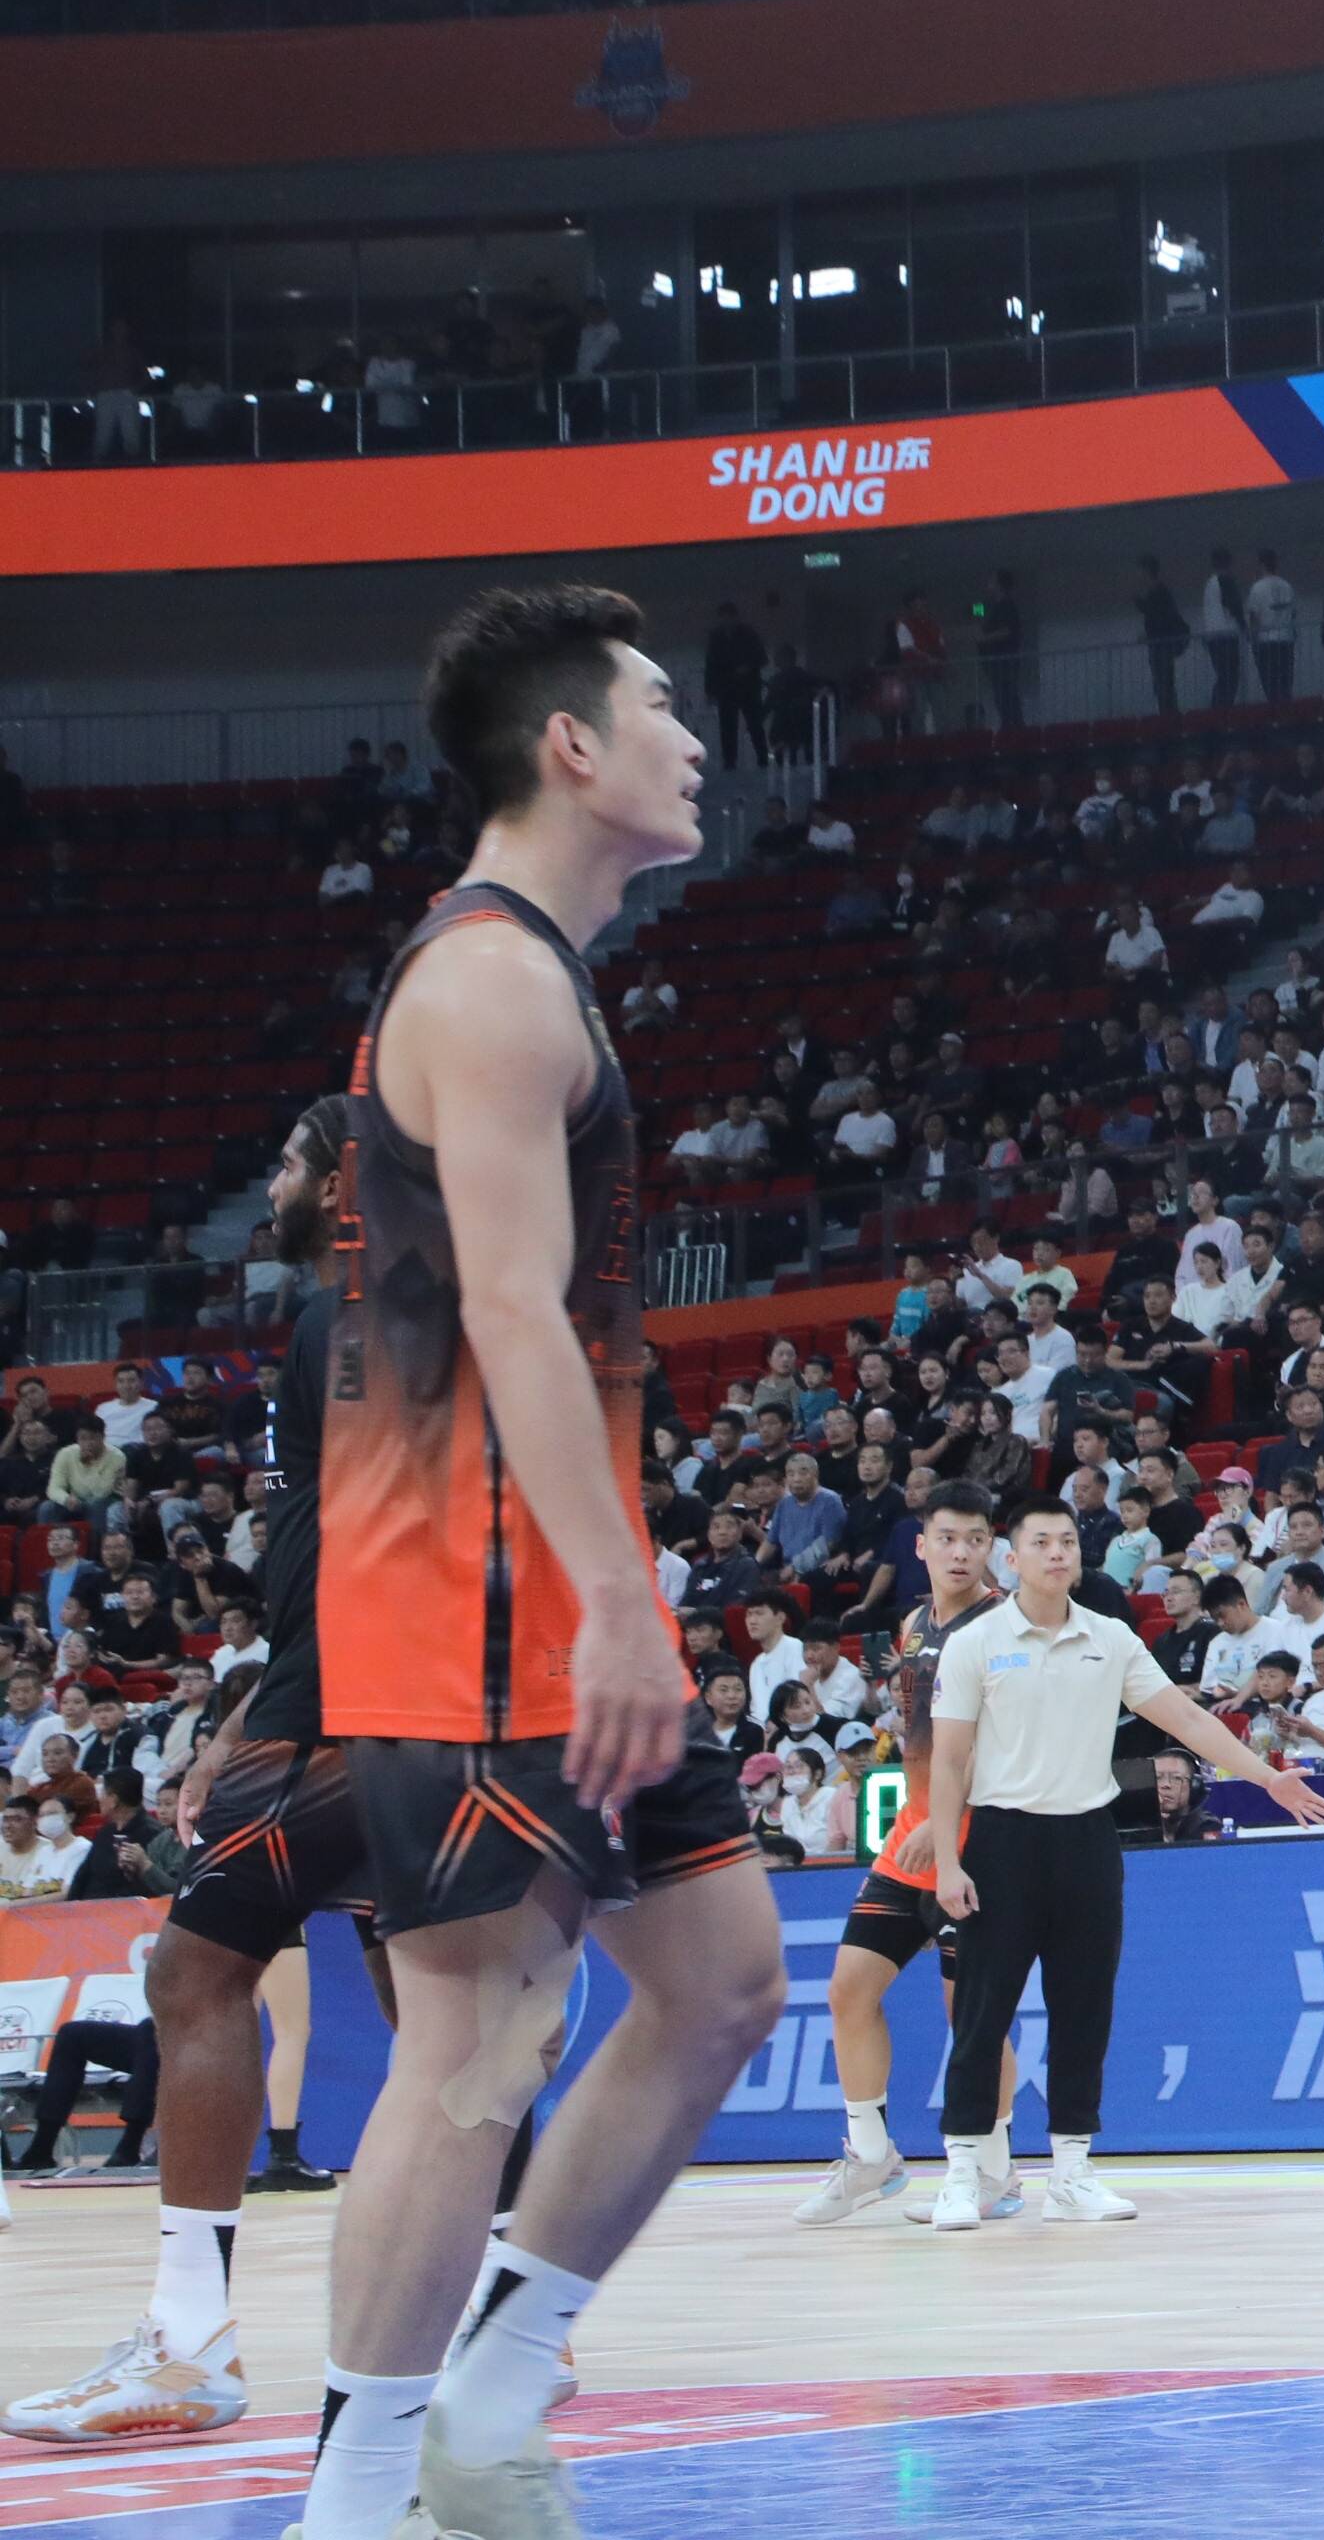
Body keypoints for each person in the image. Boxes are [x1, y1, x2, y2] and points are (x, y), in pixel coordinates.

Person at [304, 589, 793, 2540]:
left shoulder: (532, 976)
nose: (696, 736)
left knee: (722, 1982)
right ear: (572, 746)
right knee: (479, 2037)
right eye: (663, 705)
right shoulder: (493, 982)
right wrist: (612, 1602)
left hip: (533, 1577)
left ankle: (491, 2402)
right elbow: (512, 1310)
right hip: (472, 1593)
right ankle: (354, 2507)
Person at [11, 1106, 439, 2446]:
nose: (274, 1182)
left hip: (355, 1701)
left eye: (294, 1162)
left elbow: (377, 1533)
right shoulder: (412, 1309)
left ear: (346, 1179)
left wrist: (282, 1718)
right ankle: (499, 2337)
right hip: (404, 1700)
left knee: (194, 1977)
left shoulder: (344, 1317)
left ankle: (189, 2345)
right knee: (443, 2018)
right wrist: (247, 1705)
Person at [915, 1502, 1324, 2231]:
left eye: (1067, 1541)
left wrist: (1268, 1779)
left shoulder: (1109, 1638)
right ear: (1012, 1558)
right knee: (983, 2012)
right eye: (1041, 1542)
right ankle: (961, 2172)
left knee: (1084, 2009)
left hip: (1087, 1839)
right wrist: (948, 1862)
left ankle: (1072, 2172)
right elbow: (949, 1762)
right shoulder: (975, 1643)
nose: (1057, 1553)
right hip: (1002, 1842)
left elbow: (1190, 1719)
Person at [790, 1479, 1016, 2229]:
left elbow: (1013, 1744)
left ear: (992, 1547)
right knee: (849, 1990)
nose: (960, 1552)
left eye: (975, 1539)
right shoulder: (914, 1622)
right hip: (909, 1840)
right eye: (946, 1538)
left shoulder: (1007, 1627)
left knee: (970, 2014)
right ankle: (872, 2156)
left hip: (980, 1843)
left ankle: (996, 2171)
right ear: (920, 1546)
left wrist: (948, 1817)